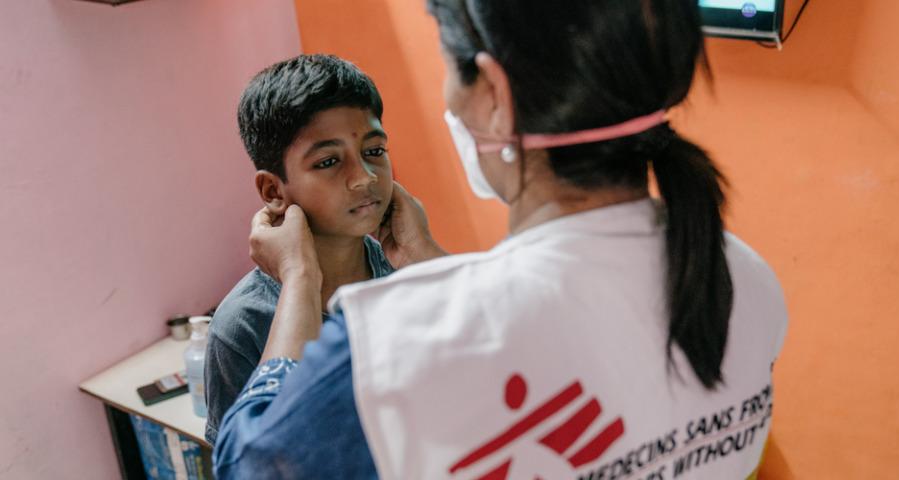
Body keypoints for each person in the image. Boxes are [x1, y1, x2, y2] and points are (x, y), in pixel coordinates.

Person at [214, 1, 788, 479]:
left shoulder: (390, 339)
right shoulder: (740, 274)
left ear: (491, 92)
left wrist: (300, 277)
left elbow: (252, 459)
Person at [202, 54, 396, 445]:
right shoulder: (242, 325)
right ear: (274, 191)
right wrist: (300, 278)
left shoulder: (404, 271)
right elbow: (246, 464)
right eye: (328, 161)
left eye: (374, 151)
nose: (363, 177)